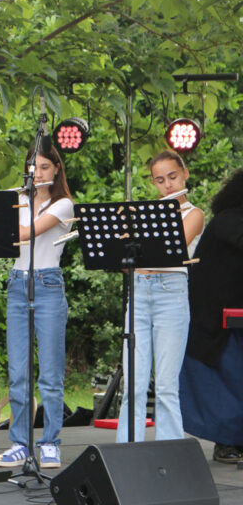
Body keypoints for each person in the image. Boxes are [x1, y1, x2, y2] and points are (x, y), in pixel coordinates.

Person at [115, 150, 204, 443]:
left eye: (173, 177)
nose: (167, 185)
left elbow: (174, 246)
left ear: (185, 173)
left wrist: (139, 229)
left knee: (166, 385)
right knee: (134, 385)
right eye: (160, 180)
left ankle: (170, 454)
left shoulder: (194, 214)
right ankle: (128, 454)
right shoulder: (145, 215)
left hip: (171, 293)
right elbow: (130, 263)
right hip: (140, 291)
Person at [0, 145, 74, 469]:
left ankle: (50, 442)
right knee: (18, 373)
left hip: (48, 284)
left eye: (43, 167)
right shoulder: (19, 200)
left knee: (51, 373)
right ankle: (19, 442)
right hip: (17, 283)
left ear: (56, 169)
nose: (37, 173)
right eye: (32, 167)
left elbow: (23, 234)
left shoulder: (64, 204)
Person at [180, 169, 243, 463]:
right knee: (228, 378)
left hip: (229, 311)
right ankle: (228, 443)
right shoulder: (229, 220)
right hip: (217, 315)